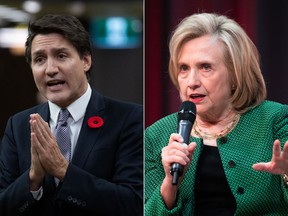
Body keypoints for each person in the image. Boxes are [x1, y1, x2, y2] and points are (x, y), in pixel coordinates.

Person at [145, 12, 288, 215]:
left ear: (235, 75)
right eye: (184, 68)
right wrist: (170, 183)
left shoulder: (276, 120)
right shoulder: (155, 136)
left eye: (205, 67)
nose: (192, 81)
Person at [0, 14, 143, 216]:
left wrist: (62, 170)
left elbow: (133, 204)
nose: (50, 69)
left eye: (61, 56)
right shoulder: (18, 125)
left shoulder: (129, 119)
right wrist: (33, 178)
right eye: (39, 59)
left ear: (85, 60)